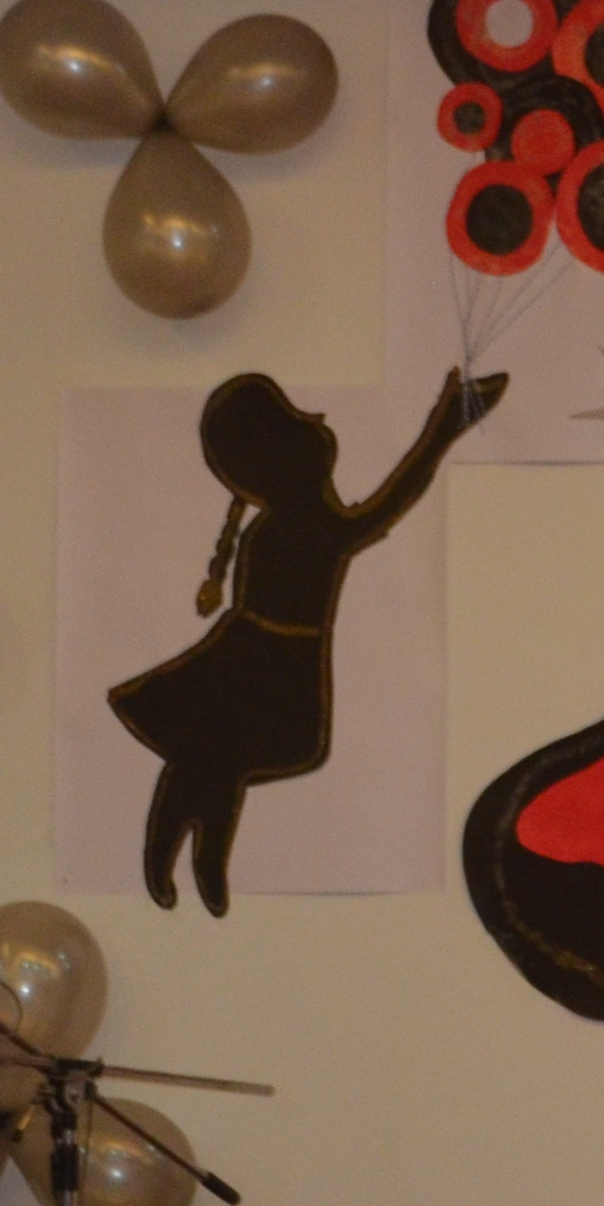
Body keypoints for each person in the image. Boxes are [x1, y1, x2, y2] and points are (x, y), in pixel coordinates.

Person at [112, 366, 499, 913]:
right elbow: (387, 505)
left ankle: (197, 862)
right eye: (300, 419)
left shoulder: (293, 523)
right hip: (259, 663)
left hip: (268, 660)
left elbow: (383, 508)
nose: (317, 417)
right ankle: (180, 860)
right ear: (289, 454)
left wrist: (444, 429)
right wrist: (441, 432)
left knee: (213, 764)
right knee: (212, 763)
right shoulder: (304, 525)